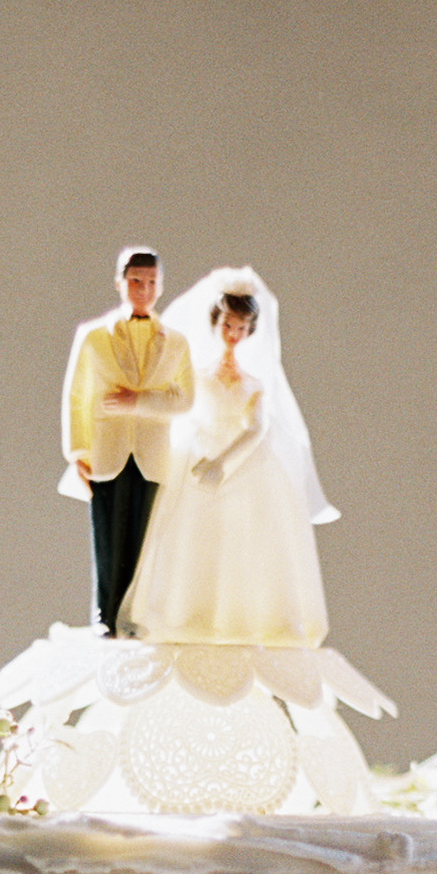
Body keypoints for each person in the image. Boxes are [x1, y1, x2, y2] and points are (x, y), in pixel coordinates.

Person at [121, 268, 334, 649]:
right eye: (229, 326)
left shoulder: (254, 384)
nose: (234, 335)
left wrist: (223, 461)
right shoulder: (198, 375)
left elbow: (255, 430)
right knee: (191, 538)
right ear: (217, 323)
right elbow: (179, 407)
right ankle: (190, 615)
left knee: (245, 539)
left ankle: (243, 618)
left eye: (242, 328)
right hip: (197, 454)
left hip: (240, 463)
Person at [58, 246, 194, 635]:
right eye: (136, 281)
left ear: (161, 287)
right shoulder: (94, 336)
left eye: (151, 283)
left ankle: (133, 616)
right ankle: (105, 615)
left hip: (153, 452)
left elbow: (185, 399)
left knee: (143, 536)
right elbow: (77, 395)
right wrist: (78, 451)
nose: (143, 290)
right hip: (107, 448)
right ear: (120, 283)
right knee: (108, 534)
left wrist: (141, 401)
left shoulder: (176, 342)